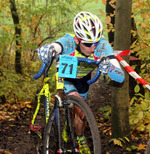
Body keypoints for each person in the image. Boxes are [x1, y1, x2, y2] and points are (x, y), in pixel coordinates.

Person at [37, 11, 125, 153]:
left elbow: (120, 77)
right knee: (75, 107)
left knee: (82, 116)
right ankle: (64, 123)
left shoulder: (102, 46)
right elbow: (57, 46)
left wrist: (109, 67)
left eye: (96, 43)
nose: (93, 48)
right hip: (66, 78)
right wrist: (49, 49)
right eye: (88, 43)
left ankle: (79, 136)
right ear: (77, 40)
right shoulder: (69, 41)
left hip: (83, 79)